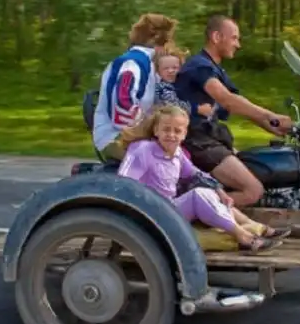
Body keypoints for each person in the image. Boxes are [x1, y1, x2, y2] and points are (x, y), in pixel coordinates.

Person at [116, 105, 289, 253]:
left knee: (208, 193)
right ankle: (245, 237)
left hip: (169, 210)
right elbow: (123, 184)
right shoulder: (142, 150)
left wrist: (220, 191)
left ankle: (254, 230)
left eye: (177, 131)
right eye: (166, 129)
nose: (171, 135)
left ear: (184, 134)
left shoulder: (177, 154)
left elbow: (197, 174)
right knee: (198, 195)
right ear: (156, 130)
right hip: (148, 215)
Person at [175, 15, 294, 207]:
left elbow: (239, 102)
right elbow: (226, 99)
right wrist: (270, 116)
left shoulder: (215, 69)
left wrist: (277, 126)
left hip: (210, 138)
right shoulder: (199, 66)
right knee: (252, 191)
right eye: (234, 38)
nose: (238, 44)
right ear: (216, 37)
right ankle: (189, 209)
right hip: (196, 140)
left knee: (255, 167)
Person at [92, 13, 178, 162]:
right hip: (115, 137)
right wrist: (149, 128)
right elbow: (122, 102)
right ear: (158, 40)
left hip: (134, 134)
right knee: (163, 163)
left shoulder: (151, 64)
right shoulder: (133, 63)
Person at [153, 45, 215, 118]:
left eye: (175, 67)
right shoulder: (163, 88)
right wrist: (198, 109)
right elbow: (174, 105)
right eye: (166, 68)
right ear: (158, 71)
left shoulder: (178, 85)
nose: (170, 71)